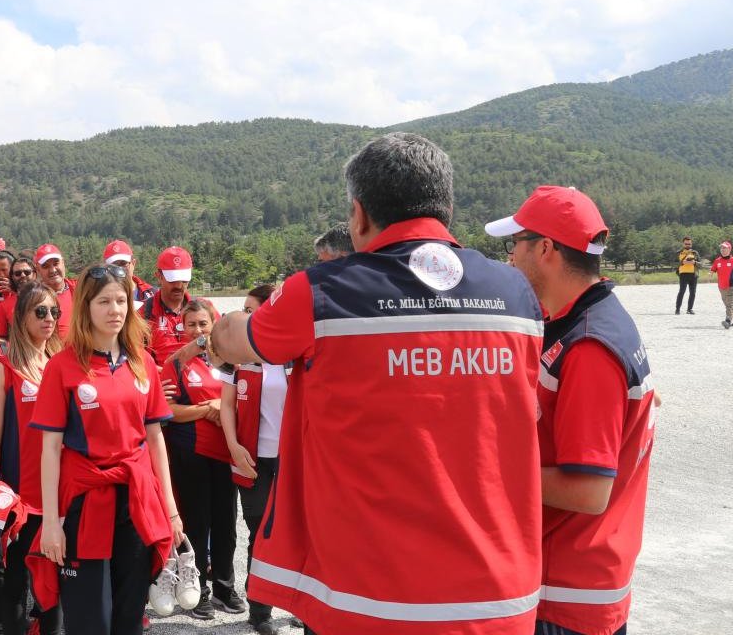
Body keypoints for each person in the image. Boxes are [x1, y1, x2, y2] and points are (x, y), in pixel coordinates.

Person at [209, 132, 544, 635]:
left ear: (359, 215)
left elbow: (233, 341)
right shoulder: (514, 291)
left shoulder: (320, 293)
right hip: (497, 597)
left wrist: (237, 319)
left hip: (370, 599)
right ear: (446, 207)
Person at [485, 185, 656, 635]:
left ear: (545, 249)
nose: (509, 259)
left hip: (565, 596)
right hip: (571, 583)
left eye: (513, 246)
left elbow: (588, 492)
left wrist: (483, 473)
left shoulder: (589, 347)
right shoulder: (582, 321)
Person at [32, 263, 185, 635]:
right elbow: (50, 449)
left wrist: (171, 511)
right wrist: (51, 523)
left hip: (135, 501)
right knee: (90, 618)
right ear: (85, 306)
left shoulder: (142, 362)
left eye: (121, 301)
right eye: (104, 302)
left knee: (130, 615)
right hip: (85, 503)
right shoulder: (62, 367)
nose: (115, 310)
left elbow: (155, 440)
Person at [0, 282, 64, 635]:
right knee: (16, 572)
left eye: (54, 312)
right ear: (20, 318)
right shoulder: (3, 368)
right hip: (20, 490)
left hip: (60, 487)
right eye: (40, 311)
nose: (49, 319)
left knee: (55, 574)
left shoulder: (60, 363)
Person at [160, 300, 244, 620]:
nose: (198, 330)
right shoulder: (177, 364)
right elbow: (167, 411)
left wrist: (218, 406)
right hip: (190, 453)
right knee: (197, 523)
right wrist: (208, 409)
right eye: (191, 324)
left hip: (227, 453)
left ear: (214, 323)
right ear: (183, 327)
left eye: (203, 324)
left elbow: (240, 403)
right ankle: (199, 592)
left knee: (226, 525)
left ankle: (224, 587)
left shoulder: (230, 361)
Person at [216, 284, 290, 635]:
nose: (243, 315)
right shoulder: (237, 355)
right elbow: (227, 404)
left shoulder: (292, 351)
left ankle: (300, 604)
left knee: (297, 532)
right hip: (252, 458)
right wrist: (233, 445)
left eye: (249, 309)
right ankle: (260, 611)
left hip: (293, 458)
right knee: (260, 533)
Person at [140, 246, 216, 364]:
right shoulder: (143, 314)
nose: (179, 285)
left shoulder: (205, 308)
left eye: (184, 280)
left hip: (203, 377)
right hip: (162, 379)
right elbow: (136, 361)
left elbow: (224, 345)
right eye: (173, 280)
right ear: (159, 276)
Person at [34, 244, 76, 341]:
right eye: (46, 266)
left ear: (63, 263)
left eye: (56, 263)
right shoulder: (33, 298)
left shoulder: (79, 289)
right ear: (38, 270)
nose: (52, 270)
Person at [0, 257, 39, 340]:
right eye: (18, 273)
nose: (22, 275)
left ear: (34, 274)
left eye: (27, 272)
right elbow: (2, 338)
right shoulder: (3, 306)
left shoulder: (47, 299)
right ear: (12, 277)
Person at [103, 240, 155, 307]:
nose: (119, 269)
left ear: (133, 263)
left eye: (123, 263)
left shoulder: (152, 294)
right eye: (114, 265)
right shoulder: (99, 295)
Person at [674, 236, 699, 315]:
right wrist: (682, 262)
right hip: (683, 274)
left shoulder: (695, 253)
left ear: (691, 244)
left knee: (693, 293)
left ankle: (689, 309)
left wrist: (694, 263)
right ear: (683, 244)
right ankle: (677, 309)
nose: (688, 245)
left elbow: (700, 264)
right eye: (686, 244)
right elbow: (674, 263)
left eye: (689, 244)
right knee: (682, 292)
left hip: (693, 275)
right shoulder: (679, 252)